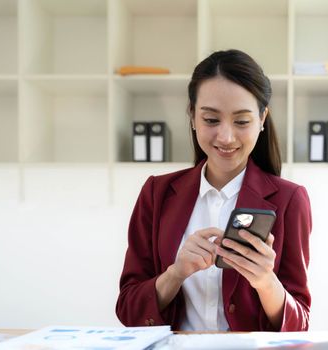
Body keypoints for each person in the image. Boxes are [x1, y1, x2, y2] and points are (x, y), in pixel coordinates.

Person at [116, 49, 312, 331]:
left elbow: (300, 323)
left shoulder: (290, 200)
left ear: (262, 119)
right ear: (193, 117)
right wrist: (175, 273)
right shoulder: (156, 193)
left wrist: (265, 282)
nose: (226, 136)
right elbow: (128, 310)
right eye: (211, 120)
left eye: (242, 121)